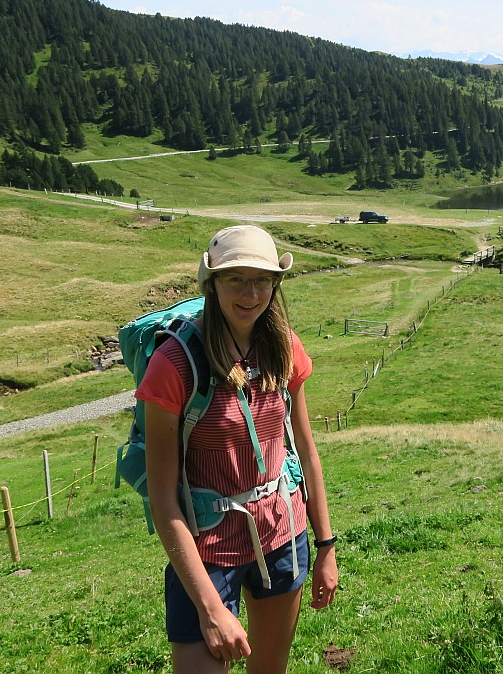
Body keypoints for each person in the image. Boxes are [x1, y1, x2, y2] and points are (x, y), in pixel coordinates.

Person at [136, 225, 338, 673]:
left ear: (276, 283)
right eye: (235, 279)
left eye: (262, 279)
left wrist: (326, 547)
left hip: (282, 534)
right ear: (212, 284)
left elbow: (306, 451)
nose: (251, 293)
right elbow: (164, 499)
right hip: (206, 548)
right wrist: (209, 608)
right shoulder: (172, 365)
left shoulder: (284, 348)